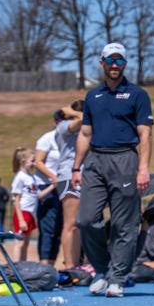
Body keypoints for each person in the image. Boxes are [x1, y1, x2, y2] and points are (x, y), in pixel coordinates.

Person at [72, 43, 154, 298]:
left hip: (125, 160)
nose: (115, 65)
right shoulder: (93, 96)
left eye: (119, 61)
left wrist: (143, 169)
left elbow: (145, 133)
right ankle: (101, 270)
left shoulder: (137, 95)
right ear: (102, 62)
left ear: (125, 64)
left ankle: (117, 277)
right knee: (85, 219)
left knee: (124, 224)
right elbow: (85, 134)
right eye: (111, 60)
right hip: (95, 161)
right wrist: (76, 167)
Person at [54, 102, 84, 269]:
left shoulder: (87, 126)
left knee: (81, 224)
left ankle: (78, 263)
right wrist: (72, 112)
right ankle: (69, 265)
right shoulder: (64, 126)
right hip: (68, 176)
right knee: (70, 224)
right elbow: (85, 118)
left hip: (86, 176)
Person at [11, 147, 54, 262]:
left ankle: (23, 268)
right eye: (32, 160)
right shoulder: (20, 177)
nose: (34, 163)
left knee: (25, 244)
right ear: (23, 161)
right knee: (19, 243)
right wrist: (21, 219)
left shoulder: (32, 177)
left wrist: (52, 186)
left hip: (30, 214)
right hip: (23, 213)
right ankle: (15, 268)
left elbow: (38, 195)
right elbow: (16, 199)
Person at [33, 113, 63, 266]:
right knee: (48, 228)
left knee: (59, 229)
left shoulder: (70, 139)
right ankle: (43, 264)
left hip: (64, 187)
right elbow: (37, 162)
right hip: (47, 186)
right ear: (56, 121)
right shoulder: (47, 138)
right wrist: (53, 176)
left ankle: (51, 265)